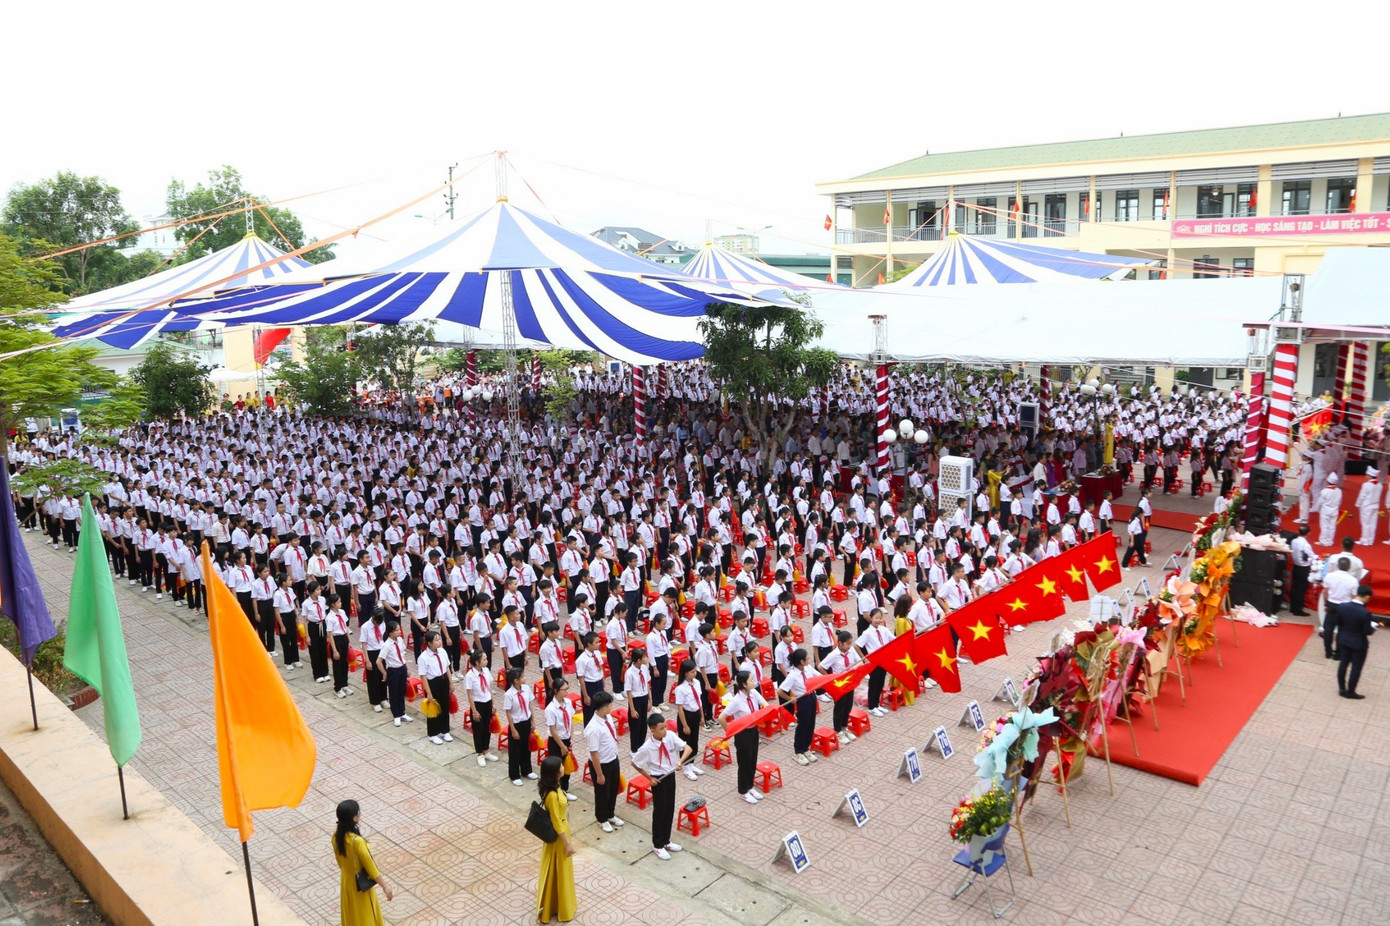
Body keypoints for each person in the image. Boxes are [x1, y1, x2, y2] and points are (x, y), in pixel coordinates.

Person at [630, 714, 691, 860]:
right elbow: (635, 763)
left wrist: (680, 762)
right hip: (658, 779)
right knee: (660, 811)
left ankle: (666, 840)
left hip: (670, 775)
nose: (665, 730)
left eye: (665, 726)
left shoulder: (670, 736)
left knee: (669, 808)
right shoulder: (647, 747)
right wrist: (649, 778)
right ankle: (657, 845)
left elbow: (687, 748)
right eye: (661, 728)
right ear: (652, 730)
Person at [333, 799, 392, 926]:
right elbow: (370, 867)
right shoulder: (357, 841)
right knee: (366, 917)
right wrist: (385, 887)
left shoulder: (336, 836)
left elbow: (340, 863)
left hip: (346, 882)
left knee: (352, 917)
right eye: (358, 813)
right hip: (359, 885)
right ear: (354, 818)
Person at [535, 756, 577, 924]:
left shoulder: (554, 787)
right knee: (559, 870)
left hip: (562, 833)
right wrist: (567, 843)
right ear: (555, 772)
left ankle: (556, 904)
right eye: (561, 766)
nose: (563, 767)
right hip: (560, 838)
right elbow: (556, 821)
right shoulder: (551, 795)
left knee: (558, 870)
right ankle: (559, 907)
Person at [717, 669, 767, 804]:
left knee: (752, 760)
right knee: (744, 762)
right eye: (751, 680)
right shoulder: (737, 701)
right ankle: (743, 791)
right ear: (744, 684)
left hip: (753, 731)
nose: (754, 682)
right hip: (742, 733)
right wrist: (729, 730)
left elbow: (765, 705)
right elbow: (722, 717)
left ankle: (750, 786)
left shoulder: (754, 693)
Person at [584, 691, 625, 833]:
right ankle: (602, 819)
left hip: (613, 759)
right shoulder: (592, 728)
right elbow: (594, 753)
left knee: (613, 789)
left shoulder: (607, 718)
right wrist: (599, 774)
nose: (612, 707)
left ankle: (610, 814)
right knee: (602, 793)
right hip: (601, 765)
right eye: (610, 705)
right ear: (603, 708)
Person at [1336, 585, 1378, 699]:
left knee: (1343, 664)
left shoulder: (1343, 606)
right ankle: (1351, 691)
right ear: (1367, 597)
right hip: (1359, 643)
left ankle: (1341, 688)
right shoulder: (1365, 613)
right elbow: (1367, 631)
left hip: (1344, 639)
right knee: (1356, 667)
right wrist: (1373, 628)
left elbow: (1339, 622)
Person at [778, 648, 818, 766]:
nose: (808, 660)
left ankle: (806, 748)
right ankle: (798, 751)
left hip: (812, 697)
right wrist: (791, 699)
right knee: (803, 725)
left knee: (811, 723)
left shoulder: (808, 668)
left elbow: (819, 676)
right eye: (807, 658)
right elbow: (780, 691)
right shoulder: (793, 675)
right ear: (801, 661)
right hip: (803, 700)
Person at [544, 676, 578, 801]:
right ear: (557, 691)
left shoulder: (568, 703)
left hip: (567, 739)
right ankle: (554, 792)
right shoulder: (551, 709)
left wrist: (571, 738)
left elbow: (571, 720)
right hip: (556, 741)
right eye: (564, 689)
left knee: (567, 766)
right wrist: (562, 746)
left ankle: (564, 790)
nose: (567, 692)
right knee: (557, 769)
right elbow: (553, 730)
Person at [503, 667, 538, 786]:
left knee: (526, 747)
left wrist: (533, 721)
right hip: (516, 724)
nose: (525, 678)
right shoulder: (509, 694)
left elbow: (530, 705)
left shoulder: (526, 689)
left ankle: (526, 770)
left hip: (526, 721)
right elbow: (508, 712)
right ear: (516, 680)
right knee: (515, 751)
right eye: (522, 677)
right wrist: (513, 729)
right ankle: (514, 774)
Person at [464, 649, 498, 767]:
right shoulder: (470, 675)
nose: (486, 661)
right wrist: (474, 711)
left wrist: (493, 703)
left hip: (487, 702)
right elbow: (469, 694)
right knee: (478, 729)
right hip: (477, 704)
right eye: (484, 659)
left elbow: (489, 688)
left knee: (487, 727)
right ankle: (479, 753)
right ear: (477, 662)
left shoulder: (486, 671)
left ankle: (486, 750)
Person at [419, 630, 454, 745]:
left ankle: (445, 730)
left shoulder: (442, 651)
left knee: (445, 706)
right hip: (432, 683)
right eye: (437, 640)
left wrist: (451, 682)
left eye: (439, 639)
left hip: (443, 681)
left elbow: (447, 667)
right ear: (429, 643)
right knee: (433, 709)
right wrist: (428, 693)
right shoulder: (423, 657)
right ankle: (433, 734)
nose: (439, 641)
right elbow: (423, 676)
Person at [1322, 558, 1360, 660]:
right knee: (1342, 630)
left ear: (1338, 566)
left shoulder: (1329, 576)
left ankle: (1328, 651)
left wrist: (1326, 604)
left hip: (1332, 604)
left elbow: (1325, 592)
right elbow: (1354, 596)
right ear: (1349, 567)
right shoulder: (1353, 580)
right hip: (1345, 607)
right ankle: (1338, 653)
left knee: (1328, 629)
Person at [378, 621, 414, 727]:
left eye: (399, 629)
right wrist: (385, 673)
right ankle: (396, 716)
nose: (399, 632)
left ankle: (402, 712)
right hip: (393, 671)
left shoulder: (399, 640)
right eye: (397, 630)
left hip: (401, 668)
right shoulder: (387, 645)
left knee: (402, 692)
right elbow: (379, 661)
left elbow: (402, 656)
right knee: (394, 693)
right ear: (390, 632)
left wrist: (406, 668)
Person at [1288, 526, 1313, 617]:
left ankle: (1293, 607)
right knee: (1301, 589)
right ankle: (1298, 609)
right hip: (1304, 568)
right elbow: (1312, 556)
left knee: (1295, 587)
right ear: (1308, 533)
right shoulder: (1306, 545)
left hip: (1296, 566)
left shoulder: (1294, 541)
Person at [1316, 474, 1344, 548]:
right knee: (1332, 526)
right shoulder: (1339, 491)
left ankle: (1323, 541)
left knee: (1324, 526)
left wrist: (1317, 509)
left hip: (1325, 510)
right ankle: (1330, 541)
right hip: (1335, 510)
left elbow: (1320, 502)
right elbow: (1340, 501)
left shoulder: (1324, 491)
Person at [1358, 469, 1383, 546]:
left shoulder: (1366, 485)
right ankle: (1370, 540)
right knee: (1373, 523)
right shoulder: (1380, 485)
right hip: (1375, 506)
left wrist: (1358, 504)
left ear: (1369, 476)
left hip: (1367, 506)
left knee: (1366, 523)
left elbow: (1361, 496)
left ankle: (1365, 540)